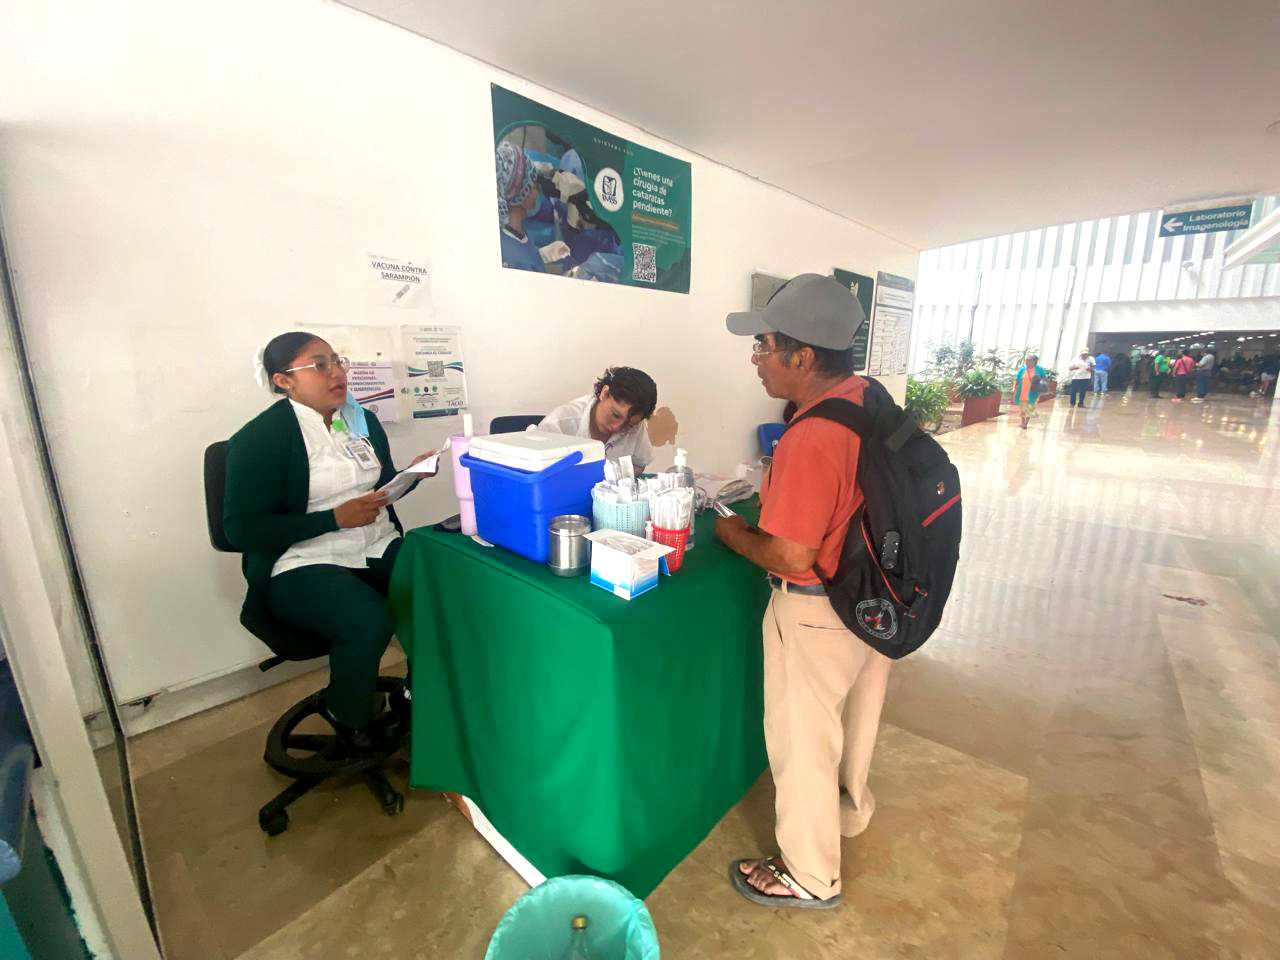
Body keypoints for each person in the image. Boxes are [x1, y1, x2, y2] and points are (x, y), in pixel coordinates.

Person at [715, 274, 890, 910]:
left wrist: (734, 534)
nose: (756, 360)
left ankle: (811, 875)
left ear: (803, 355)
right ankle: (851, 807)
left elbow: (791, 556)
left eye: (763, 345)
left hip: (819, 611)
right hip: (878, 599)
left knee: (804, 740)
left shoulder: (813, 434)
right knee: (858, 714)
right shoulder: (866, 397)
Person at [225, 332, 437, 750]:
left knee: (439, 594)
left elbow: (377, 491)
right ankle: (346, 712)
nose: (337, 372)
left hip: (373, 543)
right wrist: (331, 519)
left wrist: (408, 479)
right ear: (284, 381)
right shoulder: (260, 438)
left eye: (336, 361)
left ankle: (415, 693)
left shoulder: (360, 421)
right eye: (319, 365)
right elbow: (242, 530)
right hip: (301, 558)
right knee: (368, 620)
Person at [538, 366, 658, 470]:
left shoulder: (636, 425)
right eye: (615, 415)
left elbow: (639, 464)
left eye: (629, 425)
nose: (617, 427)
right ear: (604, 393)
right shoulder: (559, 424)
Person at [495, 140, 551, 274]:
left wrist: (541, 255)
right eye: (534, 185)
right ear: (522, 192)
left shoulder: (518, 235)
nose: (537, 192)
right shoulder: (508, 256)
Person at [1011, 353, 1048, 429]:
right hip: (1021, 390)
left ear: (1034, 361)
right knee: (1022, 406)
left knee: (1030, 406)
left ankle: (1025, 423)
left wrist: (1039, 379)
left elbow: (1044, 379)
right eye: (1026, 360)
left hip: (1033, 391)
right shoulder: (1022, 369)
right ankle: (1022, 421)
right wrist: (1015, 389)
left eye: (1029, 360)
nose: (1027, 361)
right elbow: (1017, 380)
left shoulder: (1040, 369)